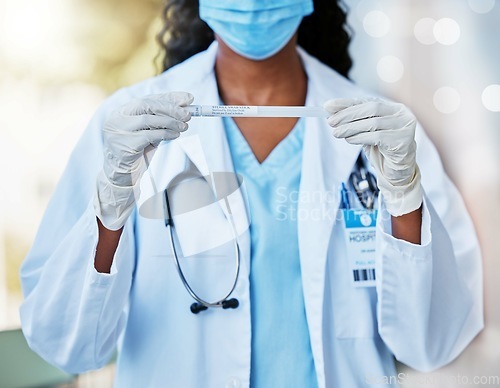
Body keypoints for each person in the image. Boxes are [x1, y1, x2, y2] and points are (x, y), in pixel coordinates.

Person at [19, 0, 483, 387]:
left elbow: (433, 341)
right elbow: (67, 342)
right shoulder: (127, 126)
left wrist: (404, 198)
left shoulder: (384, 132)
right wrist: (111, 203)